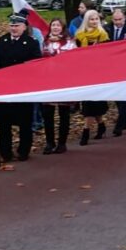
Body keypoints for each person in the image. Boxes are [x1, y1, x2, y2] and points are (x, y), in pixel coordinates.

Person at [0, 14, 42, 161]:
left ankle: (24, 150)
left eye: (17, 26)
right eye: (12, 25)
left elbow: (36, 64)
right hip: (5, 87)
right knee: (4, 122)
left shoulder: (31, 43)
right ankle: (5, 152)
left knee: (25, 121)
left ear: (24, 27)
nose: (14, 28)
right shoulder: (2, 41)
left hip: (23, 88)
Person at [74, 9, 111, 143]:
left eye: (96, 19)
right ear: (87, 21)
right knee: (89, 103)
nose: (94, 21)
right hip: (84, 73)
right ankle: (101, 126)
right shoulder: (79, 36)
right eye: (92, 19)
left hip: (98, 73)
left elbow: (107, 56)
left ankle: (86, 131)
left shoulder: (103, 35)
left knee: (92, 104)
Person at [41, 18, 76, 153]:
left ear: (62, 27)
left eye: (58, 25)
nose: (55, 27)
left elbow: (74, 60)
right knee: (47, 114)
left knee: (64, 113)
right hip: (48, 82)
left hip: (64, 82)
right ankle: (50, 142)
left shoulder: (69, 42)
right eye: (53, 25)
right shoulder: (45, 42)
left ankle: (62, 142)